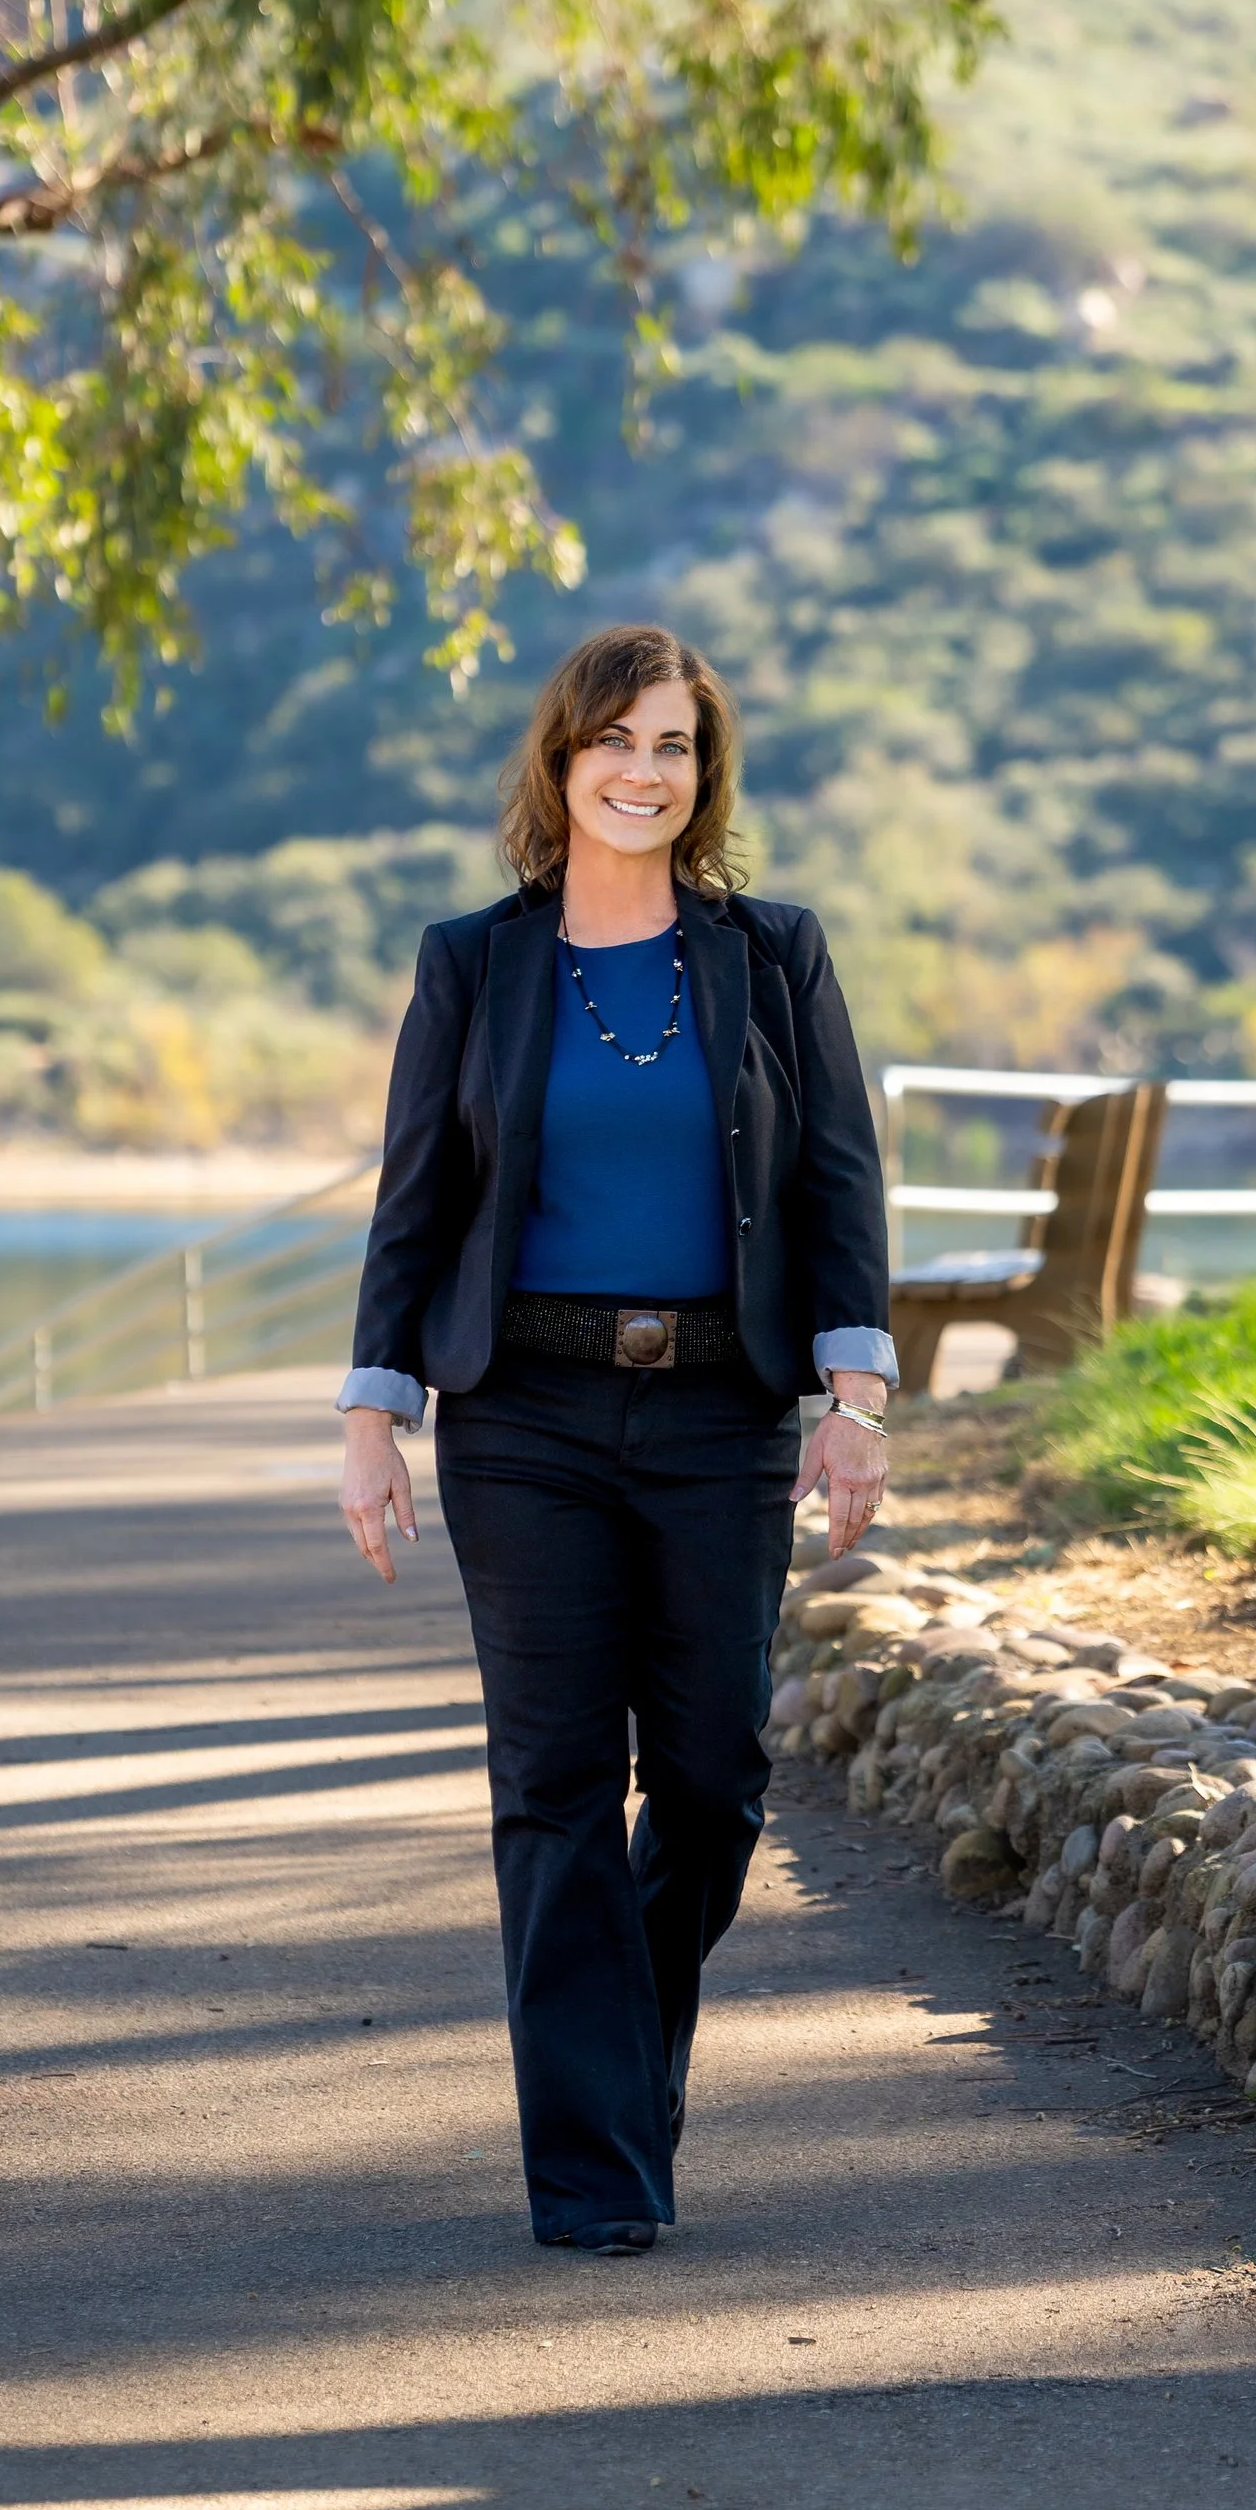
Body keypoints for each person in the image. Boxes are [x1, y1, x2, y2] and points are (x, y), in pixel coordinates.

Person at [334, 623, 896, 2255]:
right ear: (562, 759)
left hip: (725, 1405)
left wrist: (854, 1402)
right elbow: (414, 1203)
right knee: (558, 1780)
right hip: (526, 1416)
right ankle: (592, 2172)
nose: (645, 771)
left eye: (676, 744)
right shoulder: (476, 962)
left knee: (715, 1777)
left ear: (704, 771)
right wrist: (376, 1411)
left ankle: (615, 2047)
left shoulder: (772, 955)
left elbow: (838, 1182)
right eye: (617, 741)